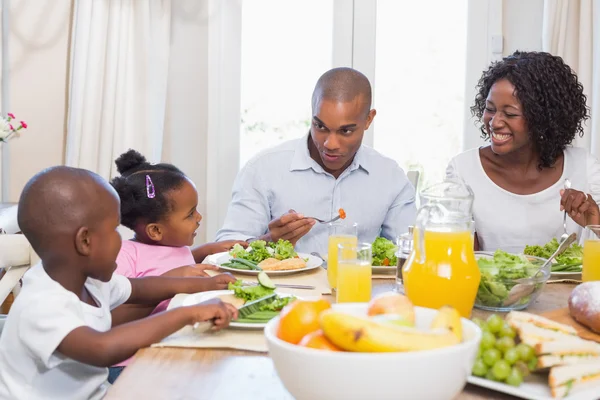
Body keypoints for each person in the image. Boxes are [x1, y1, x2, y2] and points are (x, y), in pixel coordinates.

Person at [0, 166, 238, 400]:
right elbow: (102, 349)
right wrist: (187, 314)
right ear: (85, 241)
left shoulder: (88, 281)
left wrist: (207, 284)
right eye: (114, 229)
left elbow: (141, 287)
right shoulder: (42, 305)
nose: (121, 239)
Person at [216, 67, 417, 255]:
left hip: (360, 291)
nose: (330, 143)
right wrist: (269, 241)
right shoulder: (263, 170)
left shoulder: (390, 177)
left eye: (345, 131)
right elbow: (226, 253)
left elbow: (411, 253)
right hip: (284, 292)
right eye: (320, 127)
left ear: (368, 120)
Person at [447, 51, 600, 253]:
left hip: (566, 286)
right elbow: (460, 258)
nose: (495, 122)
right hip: (491, 284)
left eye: (510, 114)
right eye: (490, 109)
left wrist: (596, 223)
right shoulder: (464, 169)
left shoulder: (583, 167)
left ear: (542, 119)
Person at [107, 149, 240, 382]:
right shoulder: (125, 256)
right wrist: (170, 282)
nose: (199, 217)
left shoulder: (174, 245)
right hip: (131, 363)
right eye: (190, 214)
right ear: (156, 231)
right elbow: (112, 322)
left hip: (174, 344)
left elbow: (178, 259)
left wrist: (206, 251)